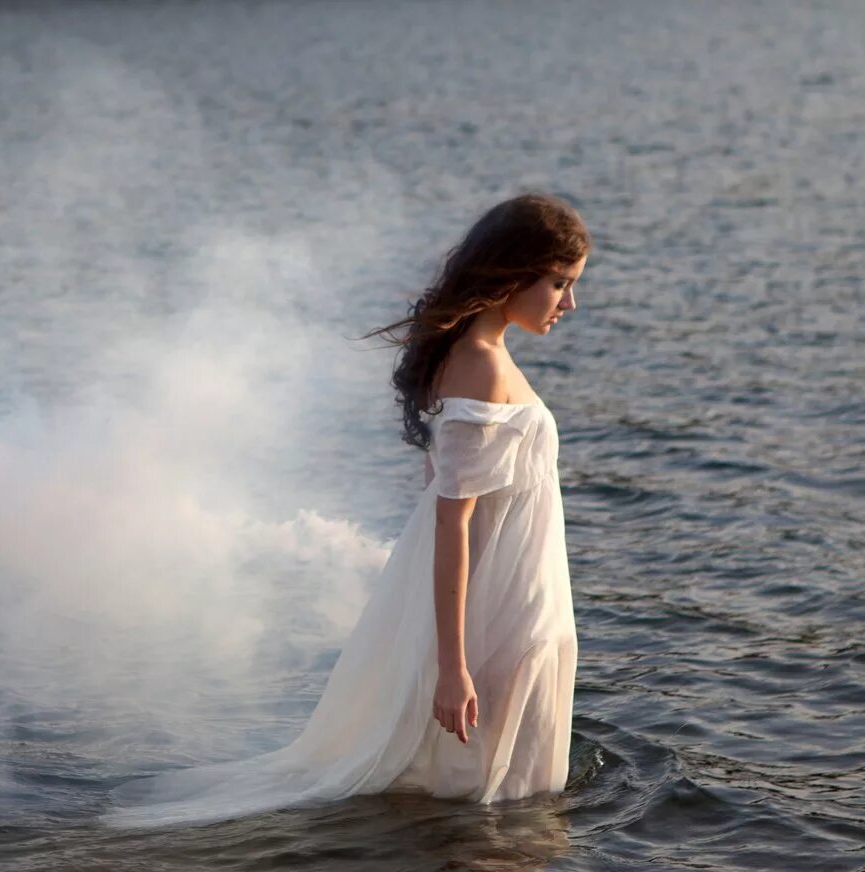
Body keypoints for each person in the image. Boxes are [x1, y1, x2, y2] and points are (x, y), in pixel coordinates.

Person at [107, 193, 590, 828]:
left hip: (511, 589)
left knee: (489, 787)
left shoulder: (472, 356)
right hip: (506, 603)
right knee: (508, 804)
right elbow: (452, 517)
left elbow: (441, 480)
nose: (569, 303)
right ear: (511, 273)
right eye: (558, 283)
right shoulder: (481, 364)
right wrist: (454, 668)